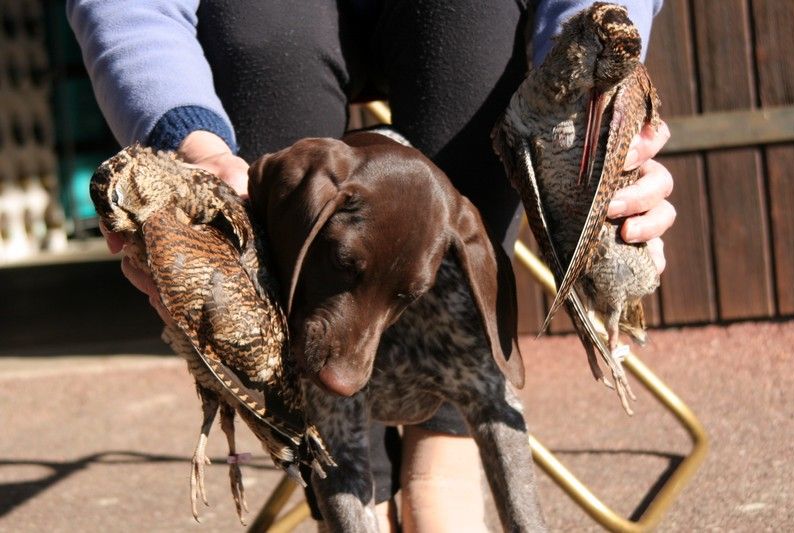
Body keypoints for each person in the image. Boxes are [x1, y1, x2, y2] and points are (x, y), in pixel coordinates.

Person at [68, 1, 674, 530]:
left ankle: (444, 458)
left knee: (476, 15)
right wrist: (190, 151)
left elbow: (588, 33)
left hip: (457, 40)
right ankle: (352, 489)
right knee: (258, 24)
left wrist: (593, 99)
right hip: (271, 47)